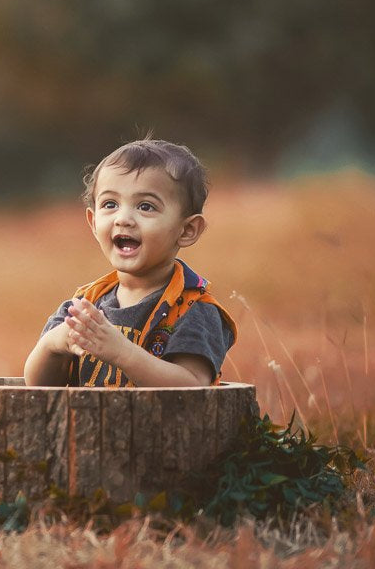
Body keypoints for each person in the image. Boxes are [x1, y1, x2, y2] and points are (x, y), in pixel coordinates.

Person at [23, 137, 237, 388]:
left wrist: (121, 352)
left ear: (187, 229)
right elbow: (37, 387)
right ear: (93, 222)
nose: (123, 218)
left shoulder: (194, 309)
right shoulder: (84, 306)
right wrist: (54, 344)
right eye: (110, 204)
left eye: (146, 206)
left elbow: (193, 385)